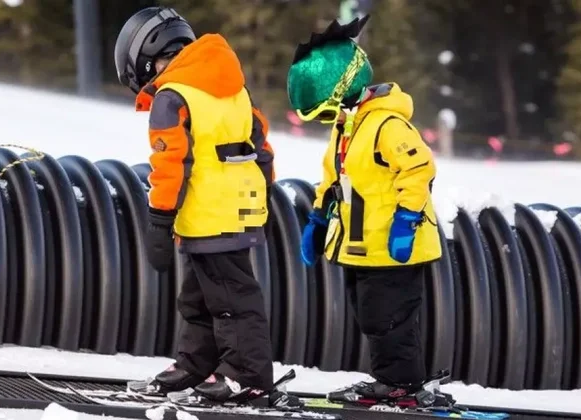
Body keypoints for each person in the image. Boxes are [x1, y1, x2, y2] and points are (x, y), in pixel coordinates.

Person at [114, 7, 278, 404]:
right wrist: (262, 199)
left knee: (231, 300)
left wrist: (158, 219)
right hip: (233, 212)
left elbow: (169, 164)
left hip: (207, 213)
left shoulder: (172, 97)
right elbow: (263, 149)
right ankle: (196, 364)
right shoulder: (235, 88)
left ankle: (247, 376)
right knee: (200, 297)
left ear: (150, 55)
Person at [287, 16, 446, 408]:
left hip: (393, 247)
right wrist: (319, 219)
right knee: (371, 316)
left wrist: (406, 221)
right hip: (362, 247)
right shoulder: (347, 130)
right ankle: (387, 379)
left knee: (389, 319)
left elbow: (419, 168)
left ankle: (402, 385)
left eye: (326, 113)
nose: (329, 122)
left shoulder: (388, 125)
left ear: (345, 91)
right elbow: (333, 179)